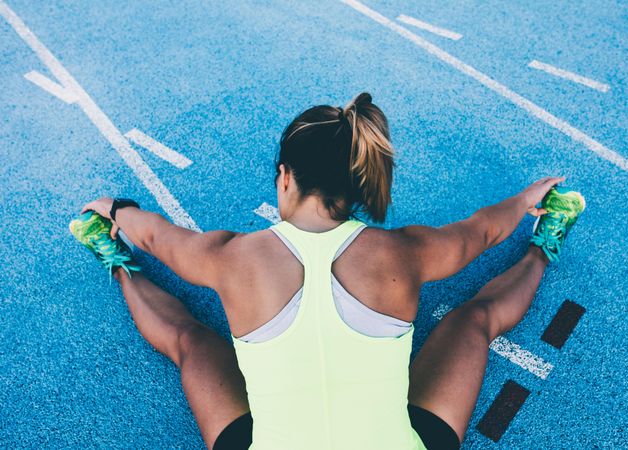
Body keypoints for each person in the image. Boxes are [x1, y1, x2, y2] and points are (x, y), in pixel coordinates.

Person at [70, 92, 585, 450]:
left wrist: (118, 211)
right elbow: (482, 232)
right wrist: (525, 199)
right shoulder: (405, 252)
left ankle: (115, 263)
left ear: (285, 177)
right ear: (356, 183)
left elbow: (159, 237)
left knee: (189, 341)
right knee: (475, 321)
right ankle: (545, 245)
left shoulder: (230, 257)